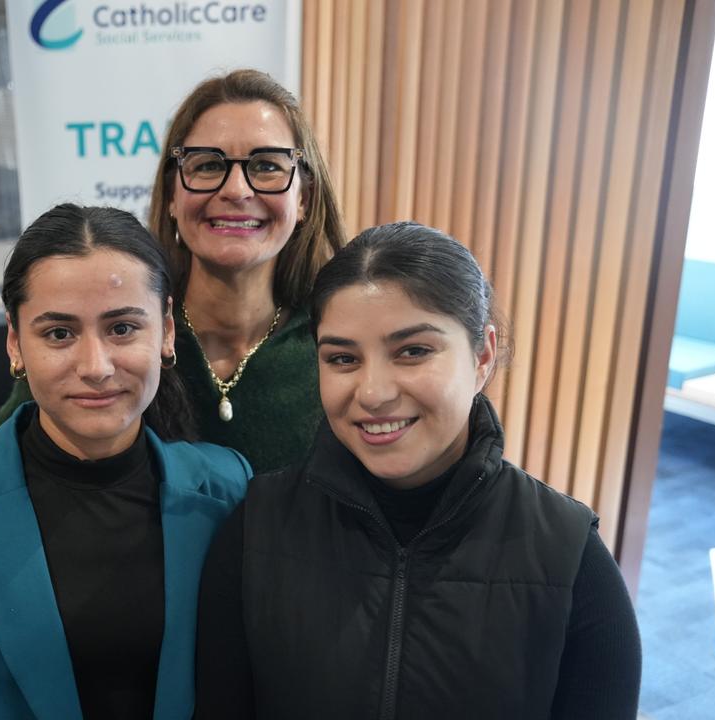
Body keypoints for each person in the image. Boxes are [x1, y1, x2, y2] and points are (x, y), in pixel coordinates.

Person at [195, 222, 641, 719]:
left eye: (413, 351)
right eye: (343, 358)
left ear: (483, 355)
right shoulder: (255, 528)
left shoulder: (570, 554)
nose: (373, 393)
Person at [0, 204, 250, 719]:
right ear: (16, 343)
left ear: (166, 332)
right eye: (59, 333)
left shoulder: (227, 485)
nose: (96, 367)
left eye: (122, 328)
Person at [0, 69, 347, 472]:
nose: (237, 190)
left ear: (304, 198)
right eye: (207, 166)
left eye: (267, 165)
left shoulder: (339, 341)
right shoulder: (117, 332)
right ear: (170, 194)